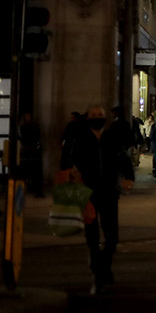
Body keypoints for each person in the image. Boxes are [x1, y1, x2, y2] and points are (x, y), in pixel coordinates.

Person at [61, 105, 135, 295]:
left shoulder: (111, 138)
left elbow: (122, 159)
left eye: (100, 115)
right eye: (94, 115)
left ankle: (102, 265)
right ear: (88, 119)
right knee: (92, 236)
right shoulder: (81, 139)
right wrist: (71, 175)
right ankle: (99, 272)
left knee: (112, 237)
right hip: (89, 193)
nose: (97, 118)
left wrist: (129, 177)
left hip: (109, 191)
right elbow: (67, 162)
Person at [18, 111, 44, 197]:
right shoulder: (25, 127)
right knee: (27, 169)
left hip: (31, 149)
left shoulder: (32, 126)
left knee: (32, 169)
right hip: (27, 149)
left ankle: (34, 188)